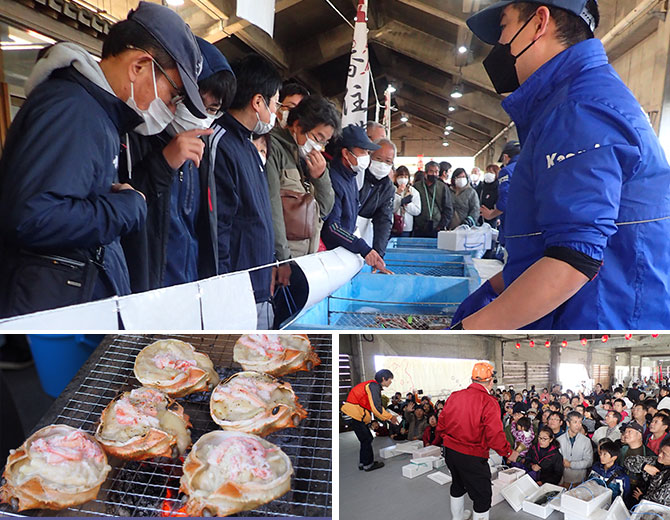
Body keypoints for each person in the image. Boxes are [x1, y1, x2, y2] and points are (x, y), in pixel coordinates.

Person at [455, 0, 670, 329]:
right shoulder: (574, 101)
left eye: (504, 27)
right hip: (593, 305)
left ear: (539, 23)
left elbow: (573, 258)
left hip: (596, 314)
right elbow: (555, 237)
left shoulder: (579, 109)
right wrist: (497, 285)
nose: (499, 44)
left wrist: (469, 329)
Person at [0, 1, 210, 318]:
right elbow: (32, 217)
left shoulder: (100, 115)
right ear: (139, 66)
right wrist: (127, 207)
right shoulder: (73, 110)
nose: (170, 107)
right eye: (173, 94)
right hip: (47, 319)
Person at [119, 37, 235, 292]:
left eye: (213, 109)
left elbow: (204, 230)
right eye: (192, 102)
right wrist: (163, 162)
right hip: (145, 290)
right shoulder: (132, 136)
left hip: (188, 291)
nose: (202, 116)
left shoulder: (201, 152)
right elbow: (121, 212)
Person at [207, 54, 280, 329]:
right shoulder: (220, 142)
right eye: (275, 103)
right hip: (235, 290)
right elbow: (218, 226)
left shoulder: (248, 146)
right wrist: (225, 290)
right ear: (257, 101)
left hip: (258, 285)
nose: (275, 112)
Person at [265, 95, 340, 288]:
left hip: (305, 258)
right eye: (317, 137)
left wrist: (321, 176)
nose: (319, 146)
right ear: (297, 125)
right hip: (282, 262)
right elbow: (272, 208)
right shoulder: (272, 148)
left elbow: (324, 209)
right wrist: (282, 260)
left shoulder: (307, 157)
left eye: (325, 142)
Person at [436, 362, 517, 520]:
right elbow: (494, 435)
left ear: (472, 379)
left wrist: (445, 441)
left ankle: (457, 518)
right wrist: (507, 451)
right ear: (490, 381)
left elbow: (442, 424)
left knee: (457, 484)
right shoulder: (489, 401)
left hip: (450, 452)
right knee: (482, 495)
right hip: (472, 455)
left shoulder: (455, 396)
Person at [321, 125, 389, 272]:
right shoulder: (334, 179)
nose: (367, 155)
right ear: (346, 153)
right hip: (330, 257)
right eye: (363, 151)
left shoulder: (351, 177)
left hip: (343, 252)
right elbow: (332, 227)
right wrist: (362, 247)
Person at [341, 369, 398, 472]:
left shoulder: (371, 386)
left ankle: (363, 463)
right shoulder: (374, 386)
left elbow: (368, 406)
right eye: (390, 379)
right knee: (367, 439)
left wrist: (370, 421)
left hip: (353, 414)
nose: (391, 382)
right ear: (384, 379)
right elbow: (376, 408)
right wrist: (390, 417)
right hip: (353, 415)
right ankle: (368, 464)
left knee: (365, 439)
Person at [357, 138, 397, 258]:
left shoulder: (388, 188)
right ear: (369, 156)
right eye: (378, 159)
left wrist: (378, 254)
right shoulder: (357, 175)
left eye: (387, 161)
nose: (382, 164)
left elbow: (384, 220)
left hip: (364, 234)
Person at [412, 161, 453, 238]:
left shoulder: (443, 187)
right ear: (425, 173)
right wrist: (415, 225)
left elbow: (448, 209)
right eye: (431, 171)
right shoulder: (417, 187)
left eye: (436, 172)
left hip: (437, 228)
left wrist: (441, 226)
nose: (434, 174)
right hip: (419, 228)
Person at [625, 438, 670, 506]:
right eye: (660, 451)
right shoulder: (654, 461)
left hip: (654, 511)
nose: (660, 455)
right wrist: (645, 467)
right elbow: (628, 461)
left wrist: (641, 497)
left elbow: (659, 500)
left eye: (664, 454)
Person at [557, 411, 593, 485]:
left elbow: (589, 462)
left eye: (580, 422)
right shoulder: (560, 440)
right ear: (568, 423)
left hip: (580, 480)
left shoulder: (586, 441)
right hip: (563, 480)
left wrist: (571, 464)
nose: (578, 425)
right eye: (575, 422)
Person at [392, 166, 421, 237]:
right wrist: (398, 194)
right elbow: (391, 208)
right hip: (392, 226)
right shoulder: (391, 189)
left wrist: (407, 204)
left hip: (407, 227)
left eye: (405, 177)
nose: (403, 179)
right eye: (401, 177)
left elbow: (417, 211)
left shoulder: (413, 191)